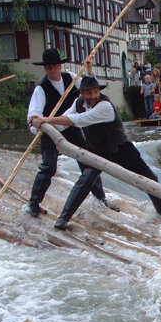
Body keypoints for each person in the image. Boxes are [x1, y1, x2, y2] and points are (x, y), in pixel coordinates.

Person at [30, 76, 161, 230]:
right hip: (98, 150)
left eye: (95, 92)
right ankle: (63, 219)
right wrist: (41, 127)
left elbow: (77, 120)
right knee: (85, 179)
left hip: (120, 149)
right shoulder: (78, 103)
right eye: (89, 93)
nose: (93, 96)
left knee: (149, 178)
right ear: (82, 93)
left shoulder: (105, 106)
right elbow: (64, 121)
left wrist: (46, 119)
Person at [24, 48, 118, 218]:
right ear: (45, 68)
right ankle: (34, 203)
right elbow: (32, 117)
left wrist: (89, 68)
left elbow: (91, 87)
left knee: (88, 161)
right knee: (48, 167)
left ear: (60, 65)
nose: (52, 70)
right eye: (49, 68)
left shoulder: (71, 78)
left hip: (71, 129)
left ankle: (100, 199)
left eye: (55, 66)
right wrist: (36, 125)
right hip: (50, 132)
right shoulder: (41, 89)